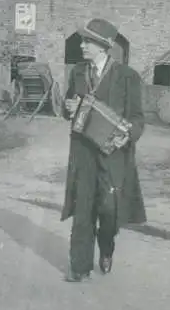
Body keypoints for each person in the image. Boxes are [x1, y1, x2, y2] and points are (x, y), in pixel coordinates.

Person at [61, 18, 146, 282]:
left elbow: (138, 118)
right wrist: (69, 108)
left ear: (104, 46)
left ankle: (106, 246)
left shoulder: (127, 76)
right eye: (83, 40)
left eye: (88, 41)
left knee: (109, 210)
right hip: (83, 152)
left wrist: (128, 135)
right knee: (83, 207)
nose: (82, 45)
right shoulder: (77, 72)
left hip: (113, 155)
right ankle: (79, 266)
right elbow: (67, 106)